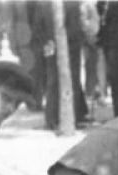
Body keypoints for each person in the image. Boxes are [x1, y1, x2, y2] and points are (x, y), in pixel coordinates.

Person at [35, 0, 89, 130]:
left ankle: (54, 118)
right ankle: (69, 116)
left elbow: (37, 26)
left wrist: (47, 41)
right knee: (70, 80)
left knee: (54, 81)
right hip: (68, 47)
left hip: (53, 45)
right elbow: (75, 28)